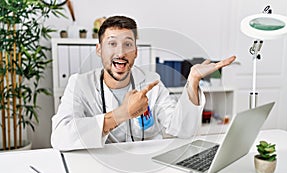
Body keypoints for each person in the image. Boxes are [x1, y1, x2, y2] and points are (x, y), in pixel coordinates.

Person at [51, 15, 236, 151]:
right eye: (112, 44)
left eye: (128, 44)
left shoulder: (151, 81)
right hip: (100, 169)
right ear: (99, 50)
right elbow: (60, 136)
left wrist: (193, 81)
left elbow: (182, 130)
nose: (121, 52)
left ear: (136, 52)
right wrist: (120, 115)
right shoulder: (80, 84)